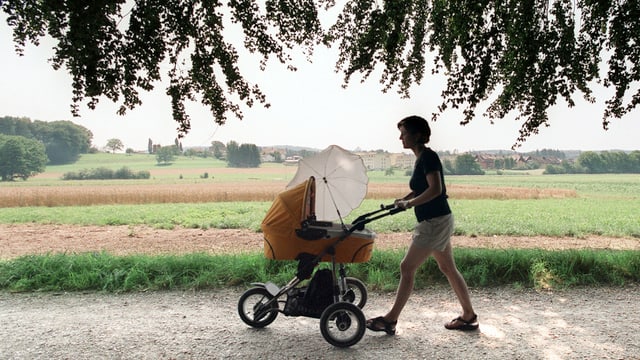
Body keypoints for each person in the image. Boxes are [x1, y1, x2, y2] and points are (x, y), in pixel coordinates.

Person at [366, 115, 478, 335]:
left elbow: (435, 190)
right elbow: (421, 189)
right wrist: (403, 200)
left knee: (407, 267)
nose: (400, 137)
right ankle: (469, 317)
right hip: (438, 219)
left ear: (417, 135)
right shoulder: (421, 158)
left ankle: (390, 320)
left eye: (404, 133)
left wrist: (410, 203)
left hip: (434, 222)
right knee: (448, 268)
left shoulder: (428, 157)